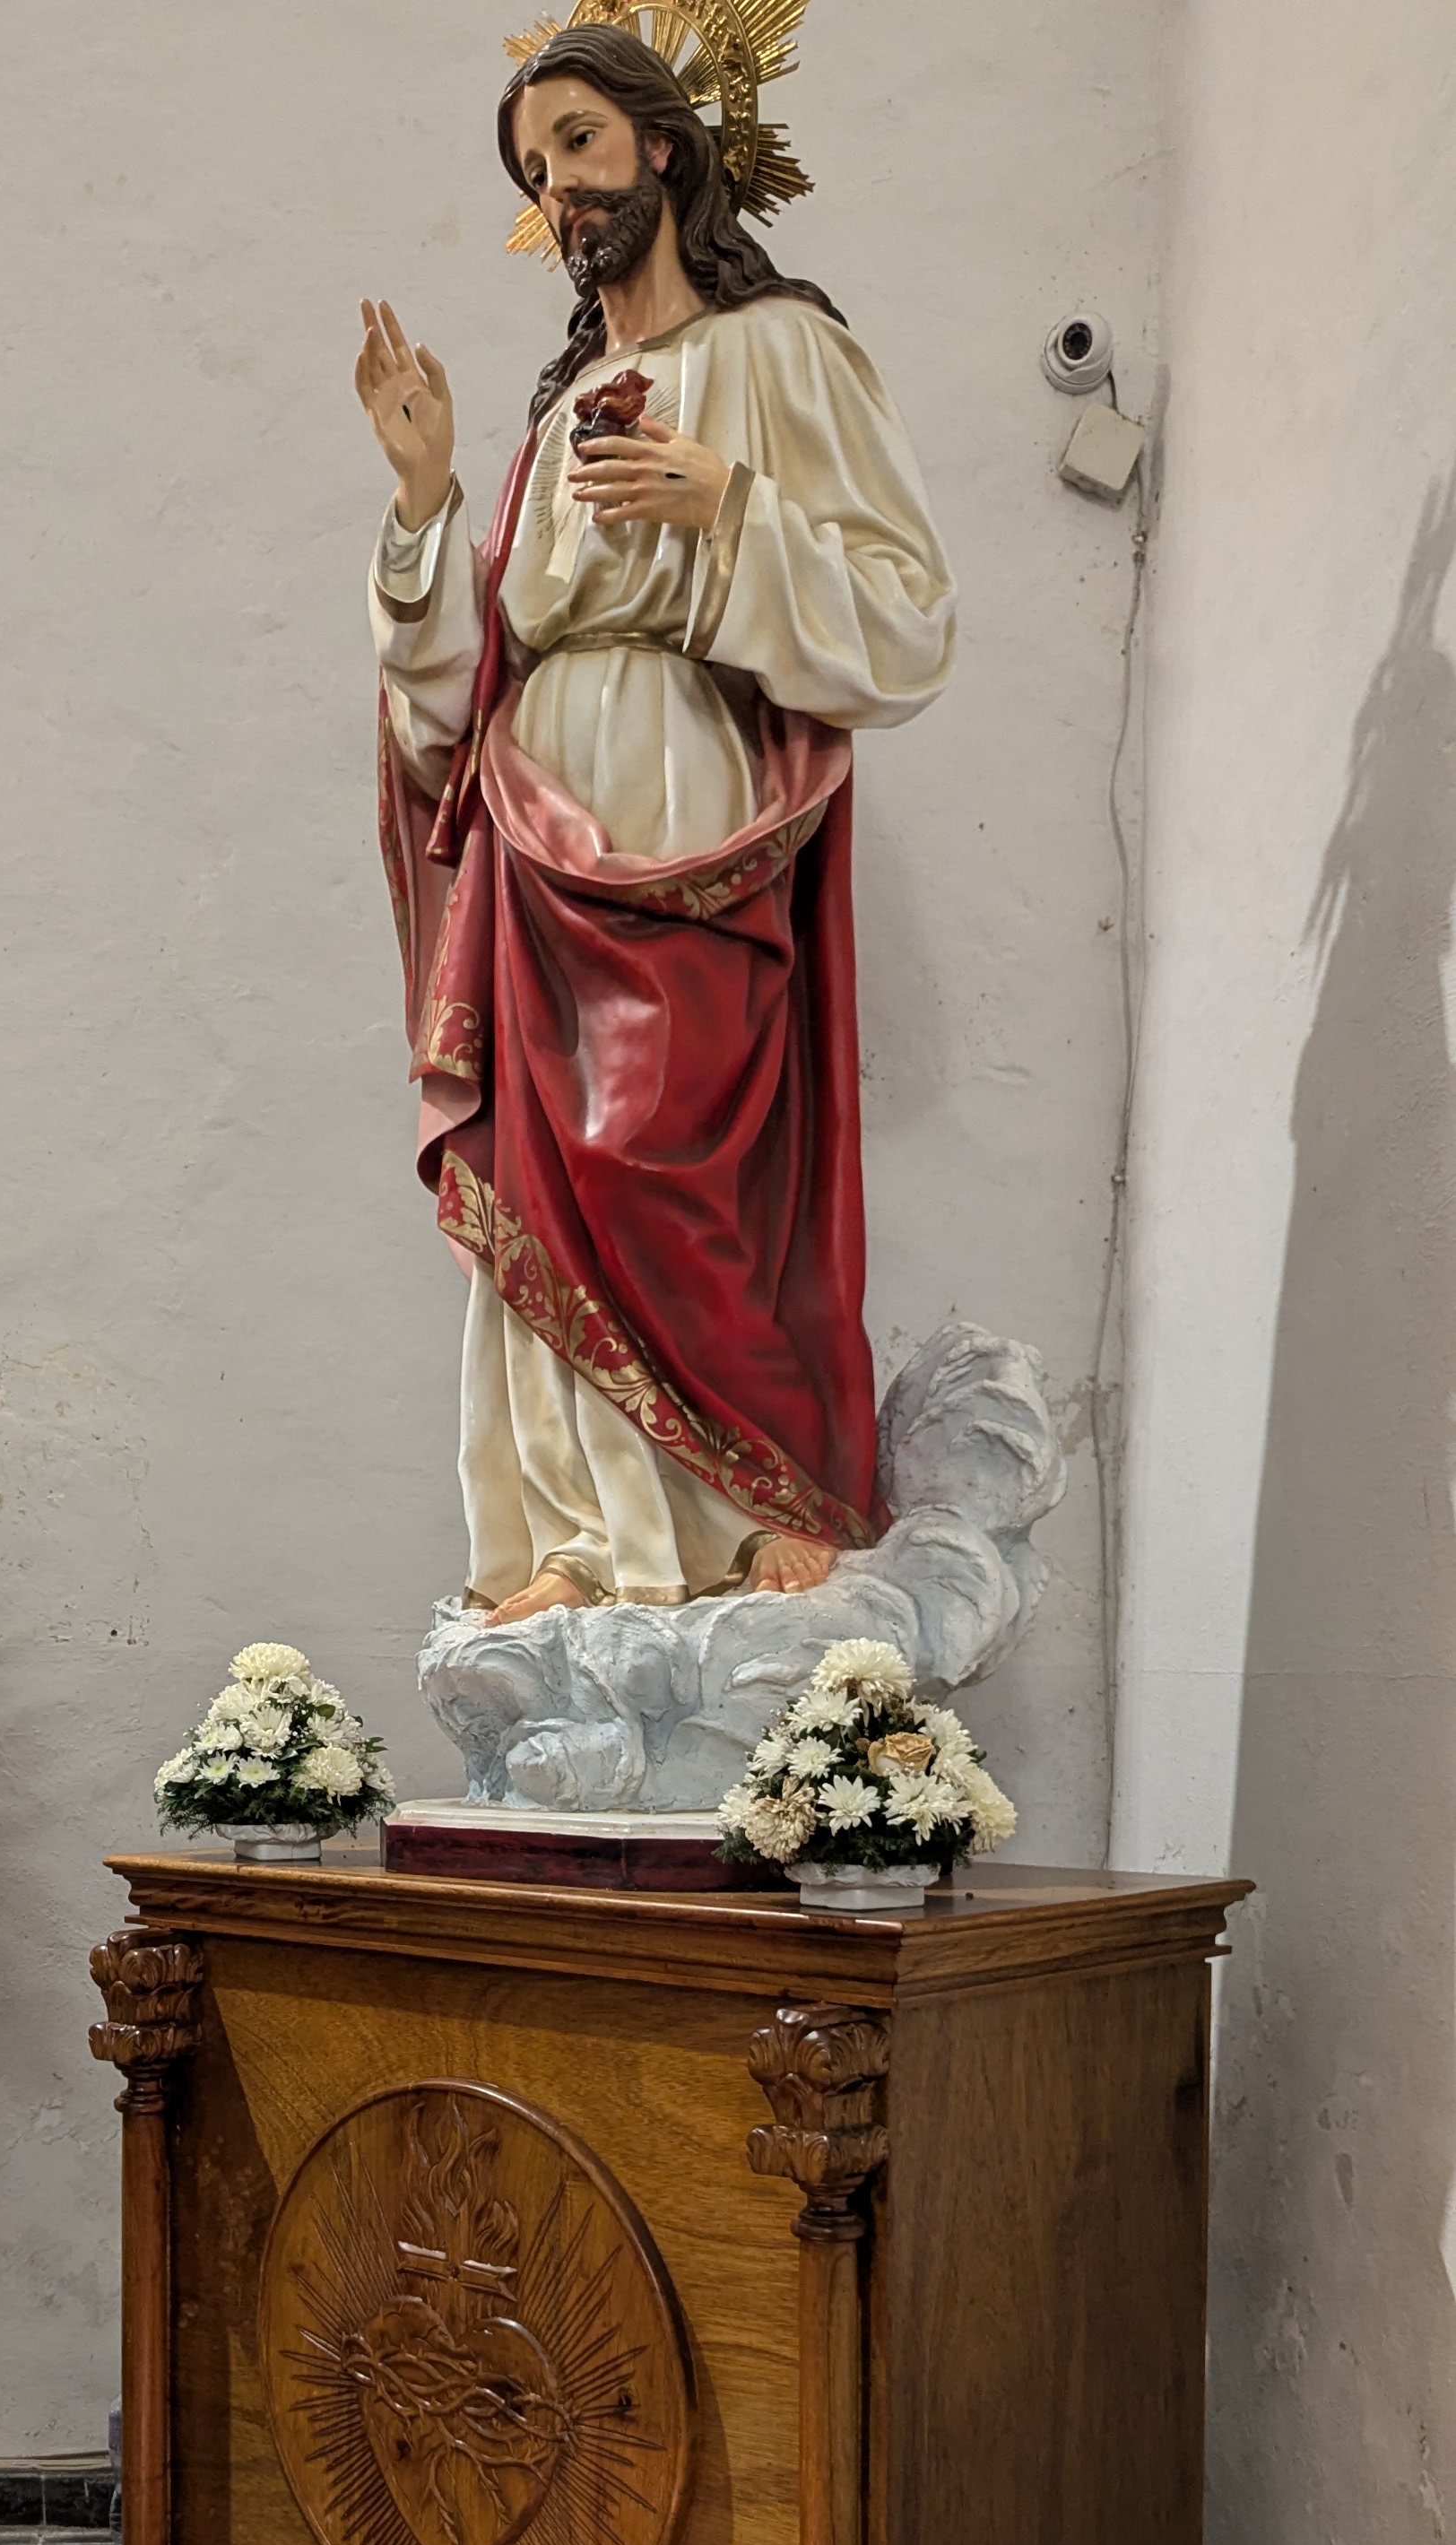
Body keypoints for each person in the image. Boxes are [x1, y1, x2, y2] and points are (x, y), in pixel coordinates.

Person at [358, 21, 954, 1626]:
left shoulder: (783, 353)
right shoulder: (553, 419)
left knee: (683, 1152)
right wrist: (423, 501)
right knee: (549, 1164)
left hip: (697, 801)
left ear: (666, 146)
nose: (558, 188)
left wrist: (729, 508)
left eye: (578, 143)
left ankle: (744, 1495)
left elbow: (906, 625)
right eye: (534, 169)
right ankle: (581, 1535)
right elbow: (453, 696)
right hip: (538, 825)